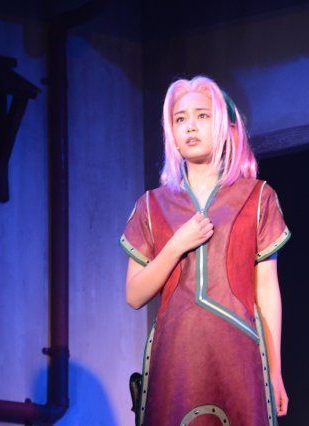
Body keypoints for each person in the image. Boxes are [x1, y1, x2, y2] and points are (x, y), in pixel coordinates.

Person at [120, 75, 291, 426]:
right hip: (175, 356)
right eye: (180, 119)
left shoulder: (258, 197)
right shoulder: (151, 206)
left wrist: (274, 371)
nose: (190, 126)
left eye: (202, 115)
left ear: (226, 127)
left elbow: (267, 289)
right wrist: (175, 246)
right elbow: (134, 295)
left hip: (239, 352)